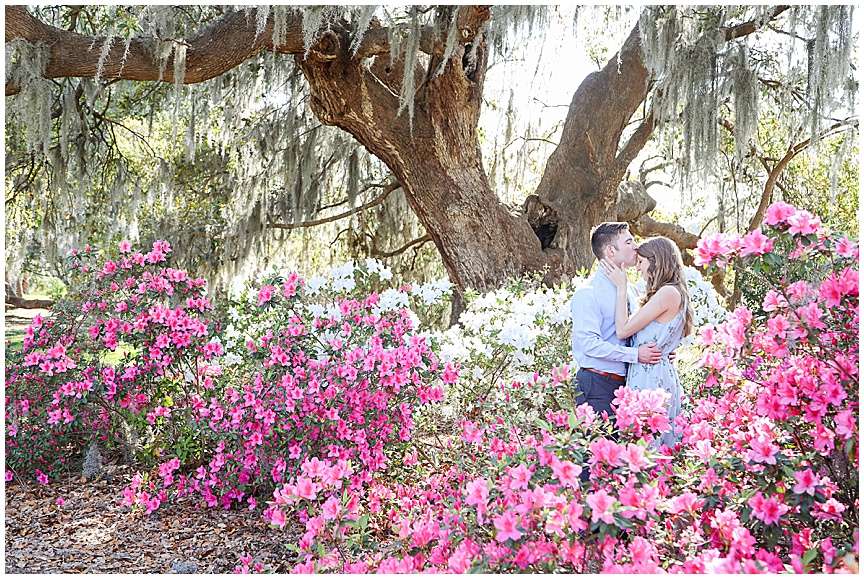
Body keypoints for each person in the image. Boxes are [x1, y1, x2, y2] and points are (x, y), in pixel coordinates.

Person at [600, 236, 695, 447]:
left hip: (650, 377)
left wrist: (621, 288)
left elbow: (623, 330)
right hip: (652, 371)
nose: (638, 268)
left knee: (648, 446)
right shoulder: (671, 293)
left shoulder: (668, 292)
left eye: (641, 262)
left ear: (656, 262)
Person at [570, 223, 663, 421]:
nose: (636, 247)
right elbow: (589, 345)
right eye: (629, 242)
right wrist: (636, 355)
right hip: (598, 385)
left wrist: (659, 350)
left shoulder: (630, 291)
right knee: (598, 450)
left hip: (630, 384)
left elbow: (634, 332)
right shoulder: (587, 294)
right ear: (611, 250)